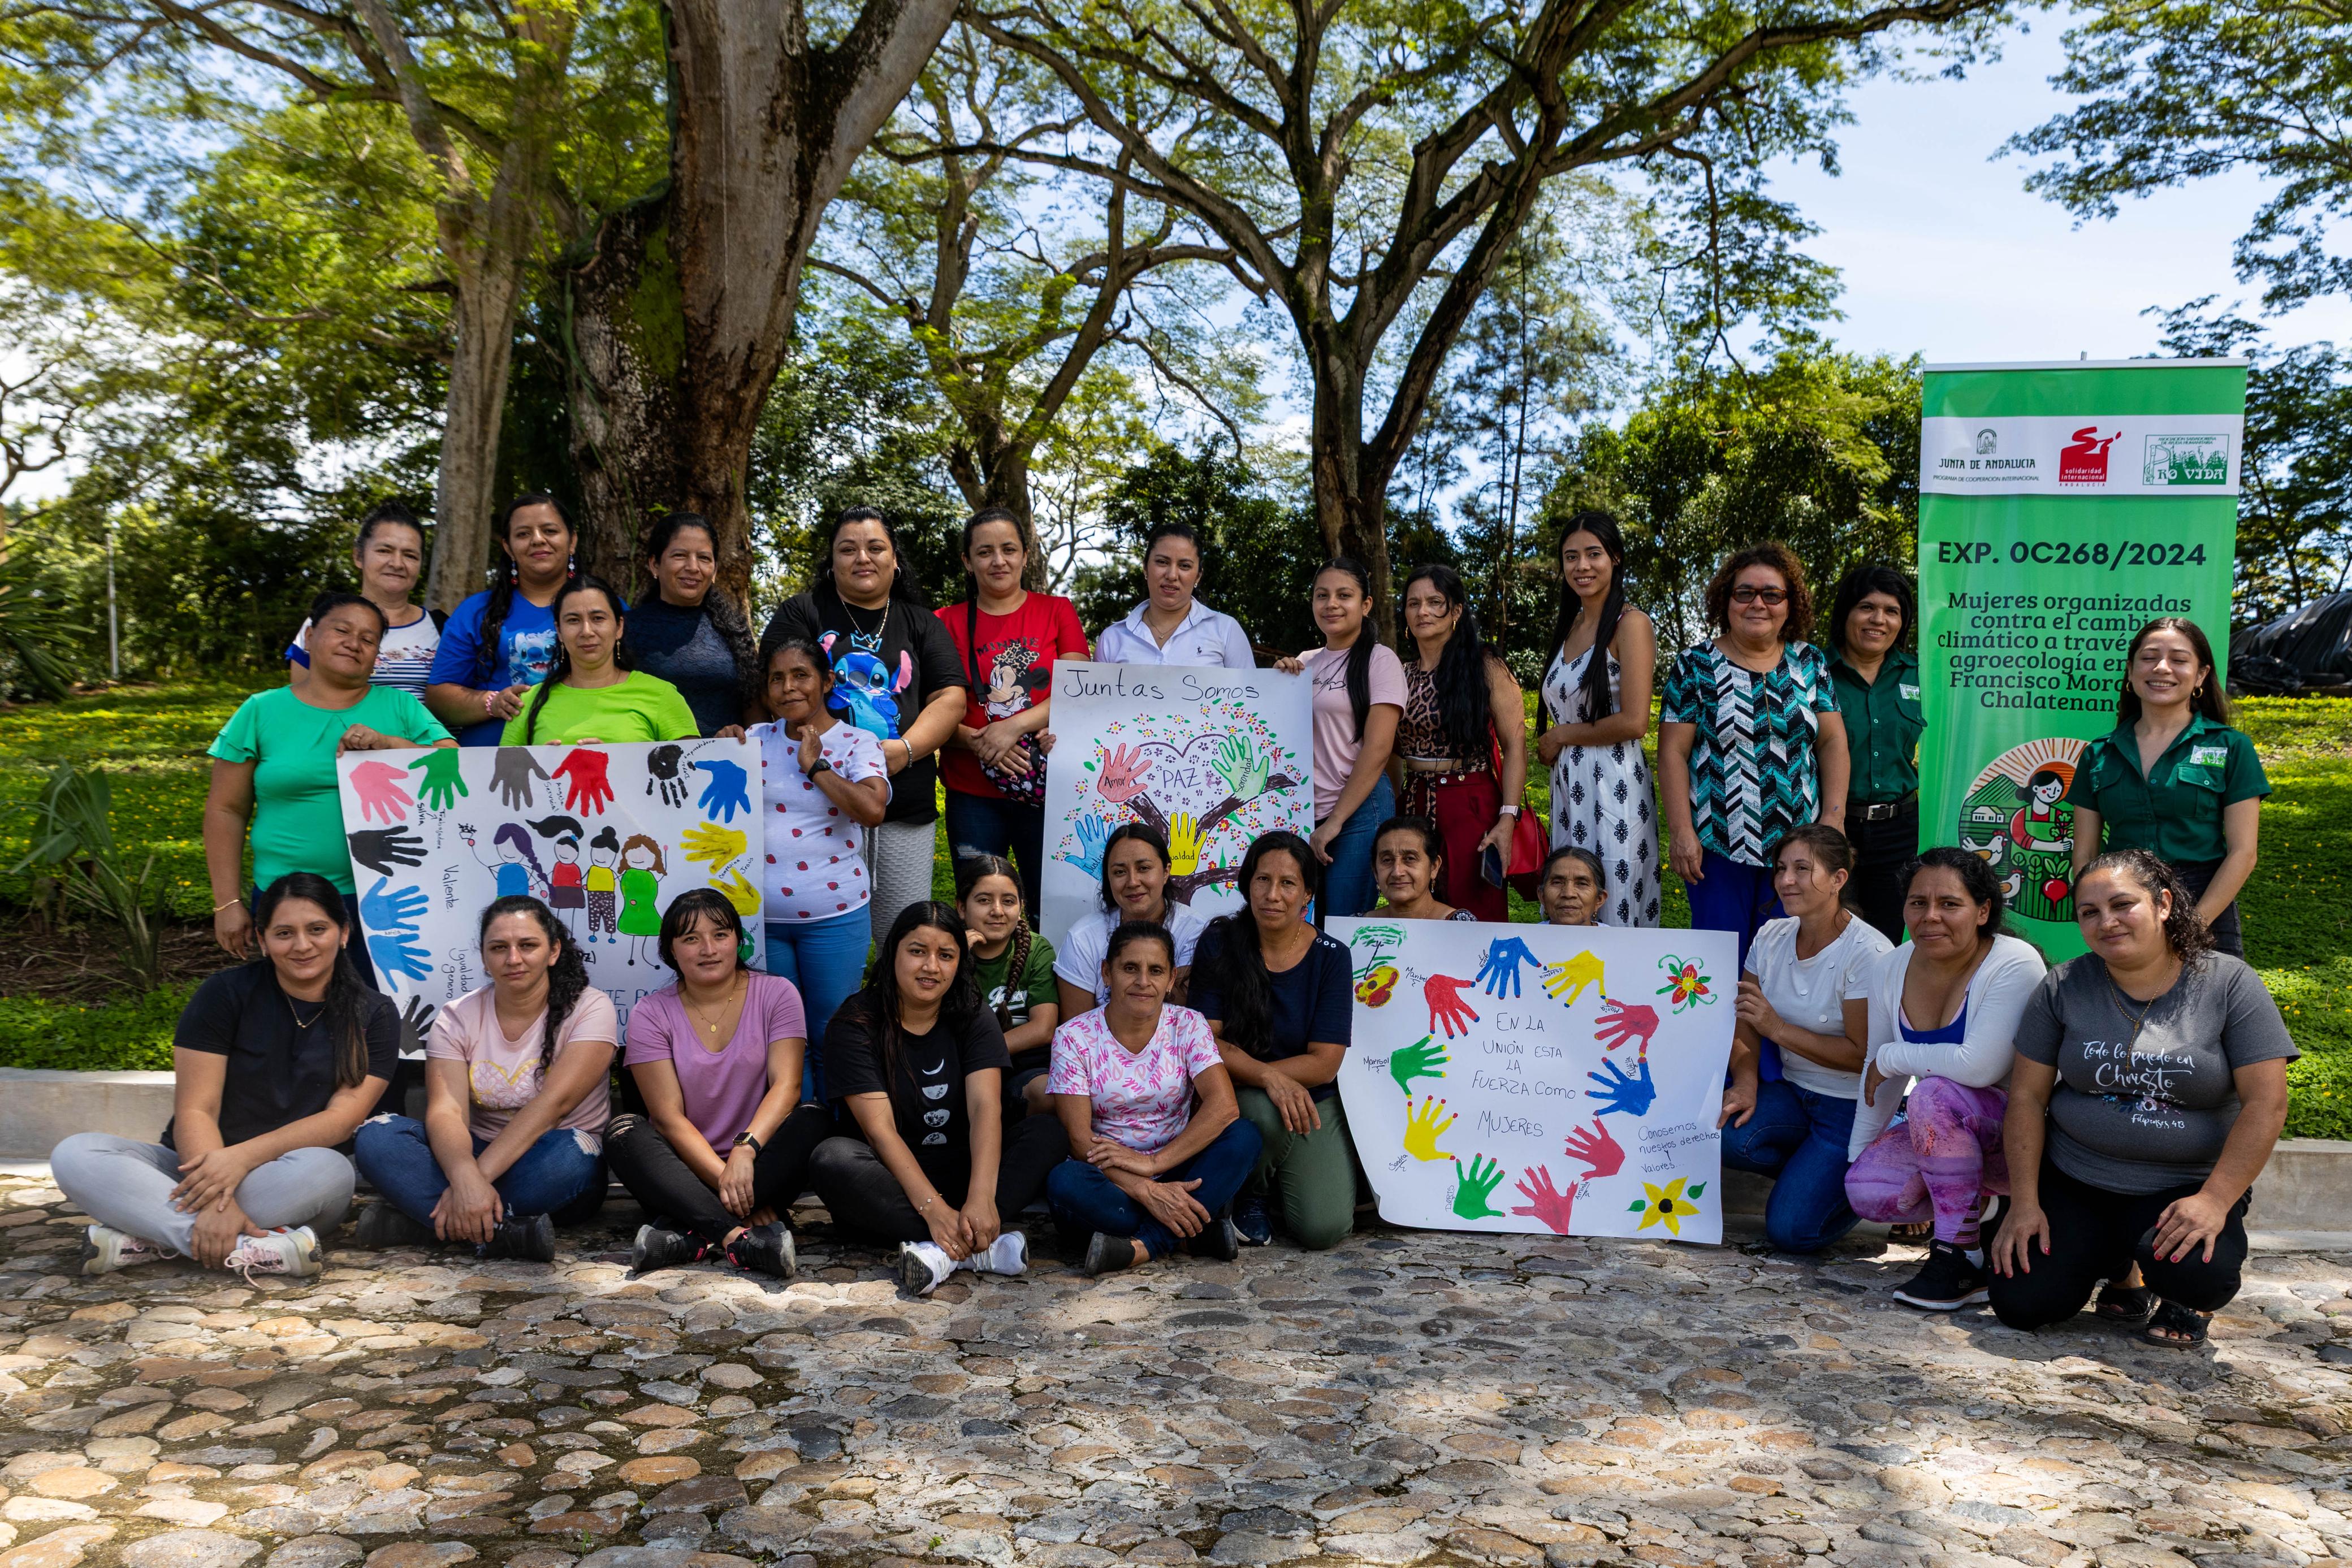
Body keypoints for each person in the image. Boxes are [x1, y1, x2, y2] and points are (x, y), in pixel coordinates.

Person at [1989, 851, 2297, 1346]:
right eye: (2089, 912)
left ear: (2164, 904)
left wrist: (2215, 1200)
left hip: (2182, 1187)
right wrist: (2024, 1203)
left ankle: (2174, 1287)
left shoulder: (2229, 983)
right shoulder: (2063, 986)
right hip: (2077, 1177)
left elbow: (2267, 1104)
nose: (2106, 921)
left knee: (2199, 1275)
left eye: (2122, 904)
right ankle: (2120, 1269)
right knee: (2023, 1303)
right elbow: (2026, 1097)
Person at [56, 873, 397, 1279]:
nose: (302, 945)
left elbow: (341, 1119)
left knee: (331, 1170)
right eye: (284, 933)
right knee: (77, 1153)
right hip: (194, 1168)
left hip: (285, 1177)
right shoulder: (225, 993)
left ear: (344, 934)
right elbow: (197, 1109)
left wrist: (238, 1161)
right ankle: (252, 1248)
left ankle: (151, 1238)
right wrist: (217, 1197)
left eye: (317, 930)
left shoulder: (374, 1014)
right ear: (262, 939)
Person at [808, 902, 1065, 1297]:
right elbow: (879, 1131)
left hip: (963, 1174)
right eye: (917, 951)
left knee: (1047, 1130)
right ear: (893, 951)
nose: (931, 966)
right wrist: (933, 1210)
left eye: (946, 955)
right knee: (832, 1158)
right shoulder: (856, 1021)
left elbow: (985, 1109)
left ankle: (945, 1249)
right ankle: (977, 1247)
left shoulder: (972, 1014)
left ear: (959, 963)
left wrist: (980, 1196)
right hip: (892, 1183)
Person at [206, 591, 456, 985]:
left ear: (377, 654)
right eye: (342, 630)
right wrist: (227, 902)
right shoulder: (260, 710)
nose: (354, 643)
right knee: (297, 1019)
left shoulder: (400, 707)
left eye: (369, 639)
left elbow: (452, 762)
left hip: (386, 896)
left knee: (382, 1018)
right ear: (309, 638)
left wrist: (389, 744)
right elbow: (226, 810)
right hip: (287, 900)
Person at [352, 896, 616, 1261]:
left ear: (553, 951)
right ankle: (505, 1233)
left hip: (551, 1163)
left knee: (573, 1155)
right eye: (498, 948)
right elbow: (447, 1112)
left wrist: (475, 1182)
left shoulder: (590, 1008)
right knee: (377, 1136)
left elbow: (554, 1106)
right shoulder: (457, 1017)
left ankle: (422, 1224)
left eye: (528, 945)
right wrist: (465, 1177)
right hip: (474, 1154)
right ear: (483, 956)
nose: (513, 959)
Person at [1844, 848, 2048, 1310]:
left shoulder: (2014, 962)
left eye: (1949, 904)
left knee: (1934, 1094)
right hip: (1948, 1132)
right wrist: (1859, 1152)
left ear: (1983, 911)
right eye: (1918, 903)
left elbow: (1980, 1067)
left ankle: (1959, 1255)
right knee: (1869, 1192)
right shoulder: (1891, 966)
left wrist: (1894, 1055)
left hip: (2024, 1143)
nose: (1930, 916)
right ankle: (1975, 1209)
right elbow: (1878, 1075)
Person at [760, 507, 967, 943]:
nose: (863, 558)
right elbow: (774, 689)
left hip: (902, 802)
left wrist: (905, 750)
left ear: (895, 561)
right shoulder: (801, 613)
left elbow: (950, 697)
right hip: (811, 805)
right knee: (824, 941)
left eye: (876, 548)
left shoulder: (920, 621)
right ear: (831, 561)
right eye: (848, 549)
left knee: (903, 937)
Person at [606, 890, 835, 1277]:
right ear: (671, 951)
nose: (708, 949)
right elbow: (666, 1117)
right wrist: (724, 1179)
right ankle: (739, 1237)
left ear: (738, 940)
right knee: (624, 1132)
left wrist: (744, 1154)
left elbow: (787, 1087)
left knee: (815, 1119)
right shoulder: (650, 1012)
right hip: (681, 1171)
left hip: (760, 1164)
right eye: (690, 939)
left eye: (720, 934)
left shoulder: (777, 993)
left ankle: (693, 1231)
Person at [1660, 543, 1850, 965]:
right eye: (1744, 593)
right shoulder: (1695, 665)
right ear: (1725, 600)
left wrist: (1832, 821)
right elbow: (1673, 752)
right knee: (1718, 963)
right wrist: (1682, 831)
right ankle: (1719, 1036)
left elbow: (1833, 742)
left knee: (1785, 962)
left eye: (1772, 594)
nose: (1758, 603)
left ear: (1790, 603)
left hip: (1799, 849)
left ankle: (1775, 1036)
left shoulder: (1810, 662)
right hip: (1717, 845)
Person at [1047, 921, 1263, 1274]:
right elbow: (1078, 1139)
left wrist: (1154, 1166)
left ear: (1171, 980)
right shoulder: (1074, 1037)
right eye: (1130, 968)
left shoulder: (1188, 1024)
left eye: (1156, 971)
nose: (1143, 981)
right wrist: (1143, 1188)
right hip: (1112, 1177)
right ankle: (1191, 1236)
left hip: (1177, 1163)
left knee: (1244, 1136)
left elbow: (1224, 1107)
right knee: (1064, 1183)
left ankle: (1145, 1245)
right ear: (1106, 972)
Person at [1716, 826, 1893, 1254]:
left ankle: (1866, 1181)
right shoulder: (1771, 935)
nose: (1786, 880)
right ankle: (1814, 1175)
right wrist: (1746, 1083)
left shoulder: (1867, 952)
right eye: (1780, 869)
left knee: (1791, 1232)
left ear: (1838, 879)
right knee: (1718, 1132)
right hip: (1795, 1093)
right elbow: (1746, 1018)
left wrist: (1777, 1029)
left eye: (1802, 869)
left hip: (1851, 1107)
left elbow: (1862, 1056)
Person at [1188, 832, 1355, 1251]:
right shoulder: (1219, 943)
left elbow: (1325, 1062)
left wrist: (1274, 1080)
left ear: (1308, 895)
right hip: (1238, 1092)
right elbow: (1205, 1042)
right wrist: (1265, 1079)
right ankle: (1252, 1193)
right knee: (1262, 1110)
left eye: (1288, 884)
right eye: (1262, 880)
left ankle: (1270, 1173)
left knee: (1324, 1229)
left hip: (1313, 1097)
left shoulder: (1332, 956)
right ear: (1247, 885)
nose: (1272, 895)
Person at [2067, 617, 2268, 958]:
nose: (2162, 668)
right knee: (2125, 1009)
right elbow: (2085, 855)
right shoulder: (2099, 753)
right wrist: (2102, 913)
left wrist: (2193, 924)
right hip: (2122, 907)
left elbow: (2243, 854)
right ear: (2130, 672)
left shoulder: (2231, 747)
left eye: (2178, 659)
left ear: (2201, 675)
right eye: (2149, 658)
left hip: (2206, 904)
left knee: (2207, 1009)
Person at [753, 636, 890, 1097]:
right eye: (777, 678)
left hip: (835, 918)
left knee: (834, 1030)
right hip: (763, 922)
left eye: (801, 675)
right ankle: (800, 1128)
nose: (788, 687)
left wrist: (816, 767)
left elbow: (872, 809)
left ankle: (841, 1136)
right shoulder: (753, 740)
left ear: (827, 681)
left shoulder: (857, 741)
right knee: (782, 1037)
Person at [936, 508, 1090, 910]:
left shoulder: (1058, 611)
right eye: (985, 552)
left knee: (1051, 907)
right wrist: (982, 742)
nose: (998, 561)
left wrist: (1012, 727)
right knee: (982, 907)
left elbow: (1079, 692)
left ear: (1026, 554)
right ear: (968, 562)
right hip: (972, 793)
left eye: (1009, 549)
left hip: (1049, 790)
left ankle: (1045, 975)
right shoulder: (944, 622)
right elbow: (930, 710)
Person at [1535, 512, 1659, 926]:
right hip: (1571, 785)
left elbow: (1635, 721)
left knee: (1613, 892)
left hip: (1614, 782)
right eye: (1571, 557)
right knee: (1570, 897)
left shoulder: (1631, 624)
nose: (1582, 566)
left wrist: (1560, 736)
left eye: (1594, 554)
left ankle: (1617, 992)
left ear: (1616, 559)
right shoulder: (1572, 627)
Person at [1395, 564, 1525, 922]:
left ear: (1455, 611)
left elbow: (1515, 746)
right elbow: (1389, 752)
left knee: (1474, 914)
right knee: (1412, 909)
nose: (1422, 611)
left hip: (1471, 801)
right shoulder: (1398, 674)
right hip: (1413, 803)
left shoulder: (1486, 666)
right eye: (1413, 603)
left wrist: (1508, 819)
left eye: (1435, 602)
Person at [1283, 559, 1404, 920]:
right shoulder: (1304, 662)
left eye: (1344, 595)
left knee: (1343, 922)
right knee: (1300, 921)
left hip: (1358, 810)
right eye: (1323, 596)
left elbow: (1379, 749)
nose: (1331, 604)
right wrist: (1275, 685)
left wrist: (1335, 821)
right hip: (1302, 812)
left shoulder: (1380, 661)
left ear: (1365, 605)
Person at [426, 493, 580, 746]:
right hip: (492, 765)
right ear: (508, 547)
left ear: (572, 540)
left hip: (583, 755)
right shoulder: (477, 611)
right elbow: (439, 697)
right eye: (523, 534)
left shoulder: (605, 608)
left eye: (550, 531)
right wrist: (492, 702)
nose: (538, 540)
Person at [1826, 565, 1924, 944]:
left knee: (1887, 938)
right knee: (1829, 932)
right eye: (1867, 607)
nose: (1878, 620)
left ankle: (1879, 1007)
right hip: (1831, 824)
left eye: (1892, 610)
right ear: (1846, 613)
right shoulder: (1813, 672)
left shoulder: (1923, 675)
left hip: (1900, 830)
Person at [503, 575, 701, 745]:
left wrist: (615, 764)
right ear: (559, 631)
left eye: (598, 618)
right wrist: (541, 766)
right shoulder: (527, 703)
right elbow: (503, 781)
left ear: (619, 627)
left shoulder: (662, 696)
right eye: (573, 620)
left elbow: (691, 777)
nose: (587, 631)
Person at [620, 512, 760, 737]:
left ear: (714, 571)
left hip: (724, 765)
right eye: (680, 555)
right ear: (654, 565)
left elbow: (755, 711)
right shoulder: (625, 630)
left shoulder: (734, 630)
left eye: (704, 558)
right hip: (650, 765)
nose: (693, 567)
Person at [286, 502, 442, 697]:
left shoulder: (443, 627)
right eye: (384, 551)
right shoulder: (324, 621)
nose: (397, 563)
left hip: (428, 729)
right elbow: (302, 704)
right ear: (359, 556)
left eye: (410, 555)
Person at [1053, 823, 1209, 1016]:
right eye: (1120, 872)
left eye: (1144, 868)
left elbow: (1174, 1018)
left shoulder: (1195, 931)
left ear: (1166, 871)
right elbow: (1076, 1029)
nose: (1133, 882)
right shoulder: (1082, 939)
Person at [958, 855, 1061, 1116]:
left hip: (1024, 1067)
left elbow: (1043, 1028)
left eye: (1008, 901)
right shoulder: (946, 952)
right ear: (961, 907)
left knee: (1052, 1096)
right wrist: (958, 961)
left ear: (1021, 906)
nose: (997, 911)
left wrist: (984, 1054)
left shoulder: (1037, 949)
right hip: (959, 1069)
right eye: (983, 900)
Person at [1092, 521, 1257, 668]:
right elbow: (1099, 701)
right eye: (1162, 562)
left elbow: (1251, 695)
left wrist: (1278, 679)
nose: (1172, 575)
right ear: (1145, 568)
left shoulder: (1225, 630)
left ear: (1198, 576)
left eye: (1184, 566)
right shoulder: (1112, 638)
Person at [1369, 816, 1478, 922]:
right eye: (1387, 860)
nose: (1397, 872)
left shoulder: (1460, 925)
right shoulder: (1357, 926)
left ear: (1434, 867)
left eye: (1410, 859)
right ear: (1375, 872)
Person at [1537, 846, 1609, 927]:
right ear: (1542, 896)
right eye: (1557, 883)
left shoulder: (1615, 939)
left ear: (1599, 899)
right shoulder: (1528, 938)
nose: (1568, 894)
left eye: (1582, 884)